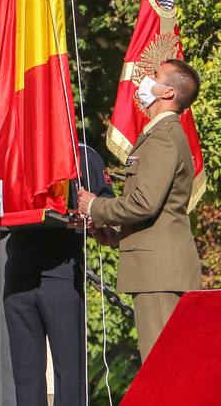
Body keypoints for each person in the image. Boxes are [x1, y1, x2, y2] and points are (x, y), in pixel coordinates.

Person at [76, 60, 202, 360]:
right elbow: (159, 210)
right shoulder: (160, 135)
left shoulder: (163, 137)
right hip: (159, 269)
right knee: (166, 364)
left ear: (168, 92)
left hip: (160, 273)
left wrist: (95, 205)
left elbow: (145, 203)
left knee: (163, 367)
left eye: (154, 76)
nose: (145, 80)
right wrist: (118, 235)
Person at [4, 143, 111, 406]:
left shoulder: (82, 154)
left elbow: (105, 204)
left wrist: (89, 215)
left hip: (62, 274)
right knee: (25, 374)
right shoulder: (14, 148)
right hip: (19, 274)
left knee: (70, 370)